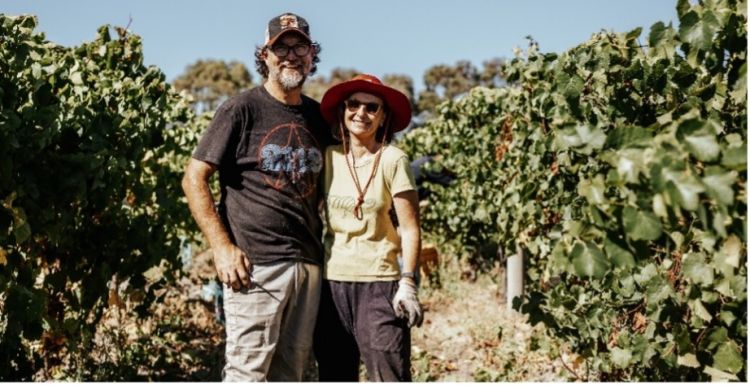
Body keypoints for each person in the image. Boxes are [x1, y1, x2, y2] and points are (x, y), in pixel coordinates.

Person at [181, 12, 331, 381]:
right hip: (255, 265)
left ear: (313, 55)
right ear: (264, 55)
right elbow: (194, 178)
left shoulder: (319, 117)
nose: (291, 55)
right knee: (248, 372)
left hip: (307, 263)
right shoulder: (241, 109)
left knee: (291, 373)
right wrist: (221, 247)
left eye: (300, 47)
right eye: (281, 47)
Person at [313, 74, 423, 381]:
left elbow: (411, 228)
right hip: (332, 284)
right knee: (335, 374)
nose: (361, 113)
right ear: (342, 111)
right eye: (354, 104)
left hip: (379, 284)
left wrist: (408, 283)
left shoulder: (393, 160)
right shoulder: (328, 157)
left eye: (372, 107)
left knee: (388, 374)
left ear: (383, 116)